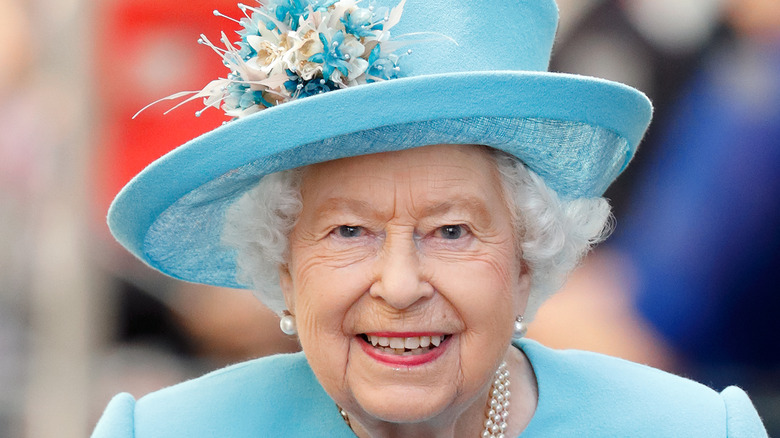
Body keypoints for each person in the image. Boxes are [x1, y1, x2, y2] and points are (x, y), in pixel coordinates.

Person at [91, 0, 768, 436]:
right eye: (348, 231)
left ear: (527, 258)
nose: (400, 284)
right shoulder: (163, 432)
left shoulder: (695, 430)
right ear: (284, 262)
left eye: (452, 231)